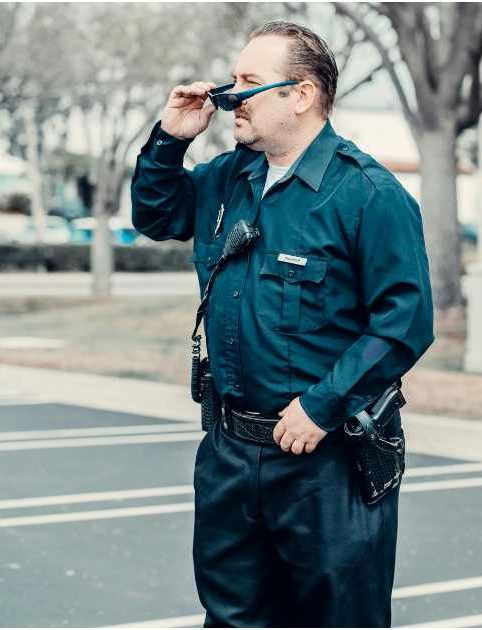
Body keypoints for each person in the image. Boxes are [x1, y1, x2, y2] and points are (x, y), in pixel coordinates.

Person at [131, 21, 434, 627]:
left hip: (326, 458)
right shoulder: (226, 178)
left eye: (247, 83)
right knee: (232, 615)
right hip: (230, 450)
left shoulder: (368, 194)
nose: (225, 96)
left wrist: (323, 404)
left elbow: (404, 319)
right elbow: (156, 216)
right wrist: (169, 139)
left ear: (300, 95)